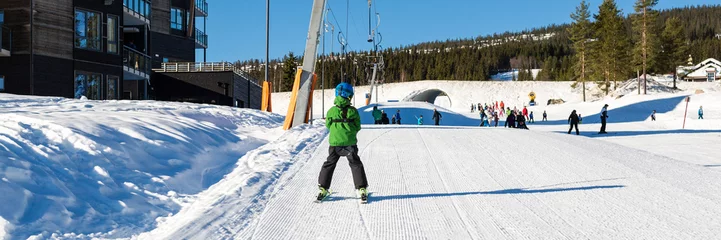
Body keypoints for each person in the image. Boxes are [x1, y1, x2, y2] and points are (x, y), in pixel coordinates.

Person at [317, 83, 368, 202]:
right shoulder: (353, 111)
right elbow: (357, 126)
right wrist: (350, 132)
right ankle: (361, 188)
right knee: (355, 164)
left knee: (329, 163)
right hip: (350, 143)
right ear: (349, 96)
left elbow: (328, 125)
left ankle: (323, 188)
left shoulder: (331, 111)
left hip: (335, 144)